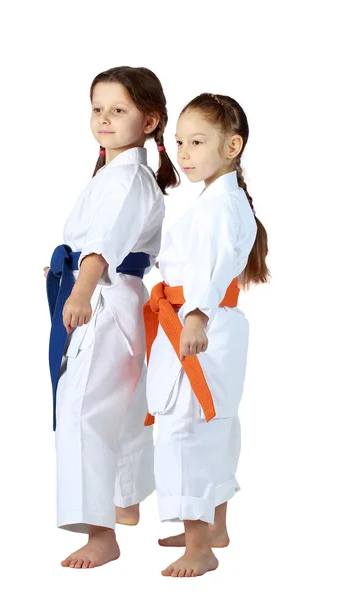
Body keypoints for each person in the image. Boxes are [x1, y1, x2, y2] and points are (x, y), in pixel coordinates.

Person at [45, 66, 179, 569]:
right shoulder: (118, 174)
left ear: (149, 121)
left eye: (118, 110)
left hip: (103, 298)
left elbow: (103, 246)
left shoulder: (128, 180)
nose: (103, 119)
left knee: (83, 410)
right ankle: (124, 504)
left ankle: (99, 533)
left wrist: (80, 288)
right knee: (119, 408)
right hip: (115, 297)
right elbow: (93, 241)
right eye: (97, 108)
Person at [144, 93, 269, 577]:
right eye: (179, 142)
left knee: (186, 427)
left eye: (197, 142)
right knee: (213, 424)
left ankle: (200, 547)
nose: (185, 153)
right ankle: (212, 525)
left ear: (232, 145)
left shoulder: (220, 207)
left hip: (199, 324)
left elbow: (211, 271)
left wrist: (194, 315)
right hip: (209, 322)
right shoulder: (220, 199)